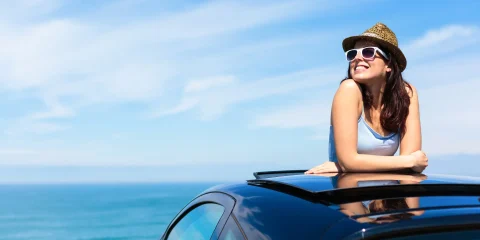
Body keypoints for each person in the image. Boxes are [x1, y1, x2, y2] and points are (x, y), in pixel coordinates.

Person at [306, 22, 428, 174]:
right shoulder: (349, 90)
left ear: (388, 64)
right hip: (347, 192)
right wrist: (408, 161)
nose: (357, 58)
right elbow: (349, 161)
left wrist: (410, 162)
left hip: (387, 194)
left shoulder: (407, 94)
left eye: (368, 52)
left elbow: (411, 168)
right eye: (352, 54)